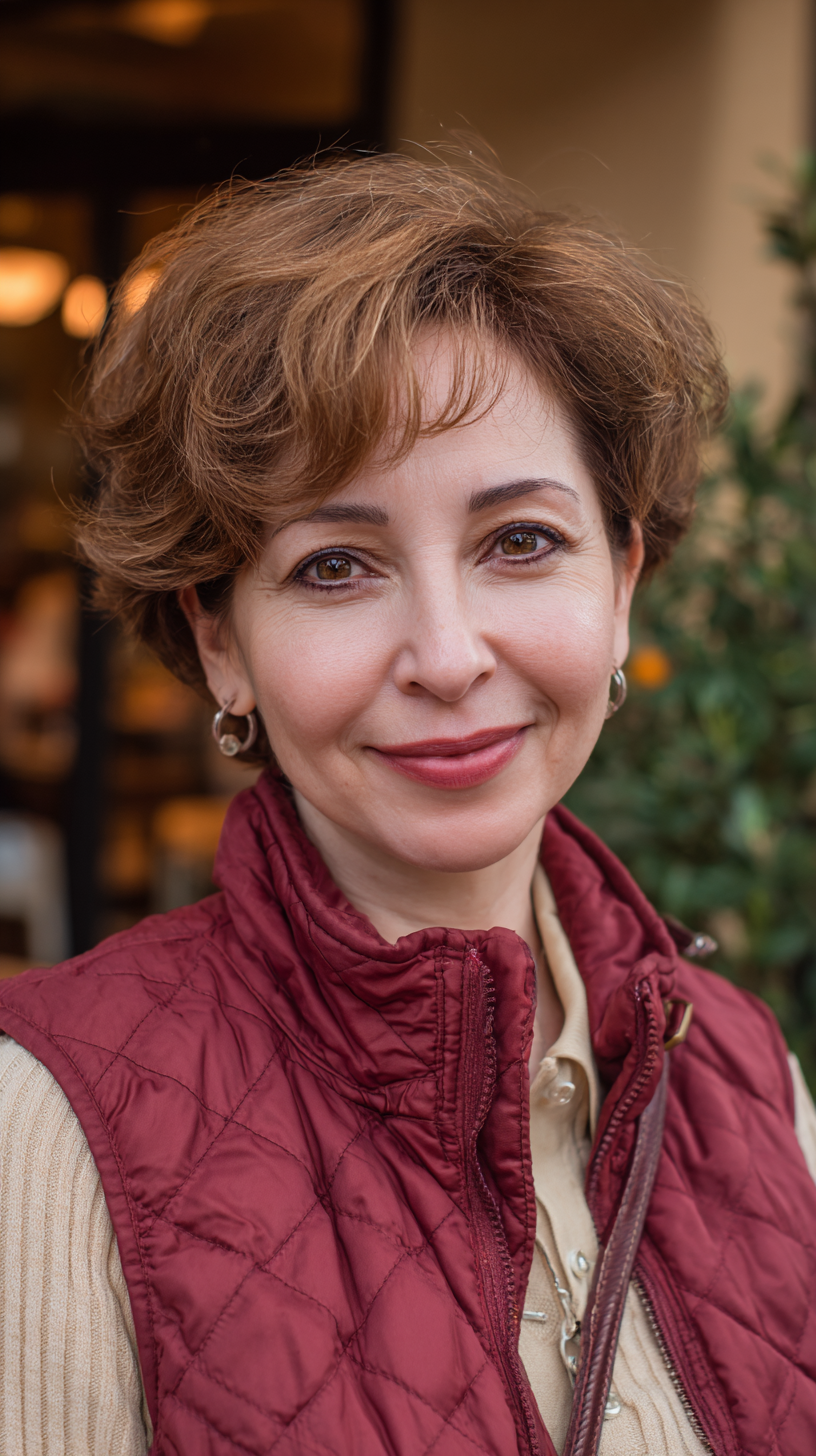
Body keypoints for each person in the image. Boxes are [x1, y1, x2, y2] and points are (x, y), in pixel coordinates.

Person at [0, 153, 814, 1456]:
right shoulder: (45, 1127)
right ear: (220, 640)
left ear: (624, 580)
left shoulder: (746, 1076)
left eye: (520, 541)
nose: (445, 654)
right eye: (336, 565)